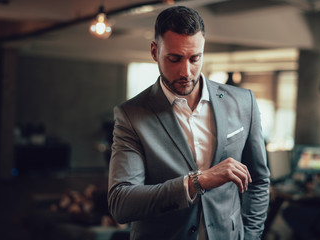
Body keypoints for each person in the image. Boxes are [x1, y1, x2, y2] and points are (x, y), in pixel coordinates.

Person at [108, 5, 270, 240]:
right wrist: (197, 181)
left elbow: (259, 181)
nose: (186, 71)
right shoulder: (131, 115)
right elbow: (122, 202)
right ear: (155, 51)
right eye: (174, 59)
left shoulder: (243, 102)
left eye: (195, 58)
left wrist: (251, 236)